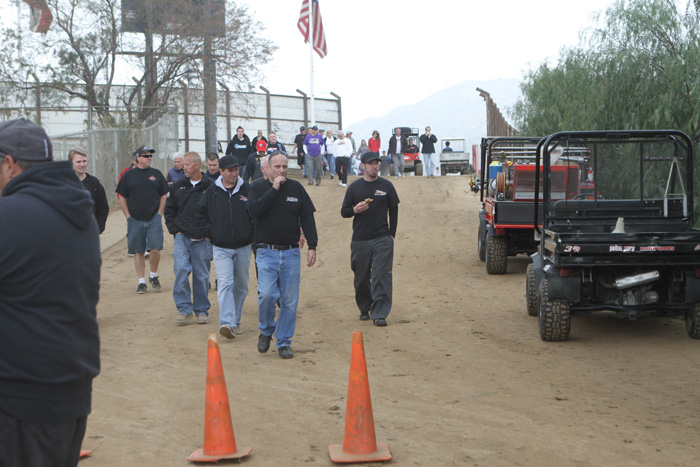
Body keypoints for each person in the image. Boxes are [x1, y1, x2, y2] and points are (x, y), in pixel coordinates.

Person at [0, 118, 100, 467]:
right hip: (69, 392)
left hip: (21, 399)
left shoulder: (10, 215)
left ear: (9, 164)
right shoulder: (77, 211)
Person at [247, 151, 318, 359]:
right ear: (268, 168)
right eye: (277, 166)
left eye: (285, 167)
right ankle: (266, 330)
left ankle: (284, 341)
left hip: (290, 253)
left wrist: (312, 245)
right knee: (267, 294)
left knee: (289, 301)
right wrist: (274, 189)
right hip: (266, 251)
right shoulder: (257, 187)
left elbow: (307, 217)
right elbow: (253, 211)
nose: (281, 170)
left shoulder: (296, 188)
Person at [340, 151, 400, 326]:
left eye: (377, 163)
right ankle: (364, 307)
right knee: (361, 277)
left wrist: (392, 233)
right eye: (371, 163)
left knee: (381, 275)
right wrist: (355, 210)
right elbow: (344, 212)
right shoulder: (354, 188)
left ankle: (380, 313)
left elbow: (394, 209)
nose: (375, 166)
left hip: (382, 238)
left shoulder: (387, 186)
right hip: (360, 239)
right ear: (363, 166)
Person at [198, 155, 254, 339]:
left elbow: (255, 213)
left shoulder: (247, 189)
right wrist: (210, 233)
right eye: (230, 170)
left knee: (241, 286)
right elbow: (202, 213)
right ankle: (227, 323)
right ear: (221, 171)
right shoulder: (212, 192)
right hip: (221, 247)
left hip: (244, 246)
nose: (234, 173)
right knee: (225, 283)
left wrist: (251, 233)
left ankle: (236, 321)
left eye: (236, 170)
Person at [164, 151, 213, 326]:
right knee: (181, 270)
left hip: (203, 239)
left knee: (201, 276)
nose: (183, 167)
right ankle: (184, 309)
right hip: (182, 237)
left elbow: (217, 212)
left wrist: (209, 235)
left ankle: (201, 310)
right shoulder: (178, 186)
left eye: (186, 164)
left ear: (196, 166)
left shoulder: (211, 186)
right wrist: (176, 231)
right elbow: (169, 210)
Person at [115, 146, 169, 294]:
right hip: (135, 219)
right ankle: (141, 282)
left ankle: (153, 275)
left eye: (150, 156)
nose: (149, 158)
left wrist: (159, 213)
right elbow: (121, 196)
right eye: (146, 156)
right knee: (138, 251)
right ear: (138, 158)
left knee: (155, 249)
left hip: (153, 218)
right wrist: (128, 216)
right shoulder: (129, 175)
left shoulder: (156, 174)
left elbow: (164, 194)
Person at [69, 147, 109, 234]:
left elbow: (103, 208)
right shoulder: (63, 184)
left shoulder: (94, 183)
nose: (82, 164)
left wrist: (98, 228)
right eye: (78, 162)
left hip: (89, 232)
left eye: (84, 161)